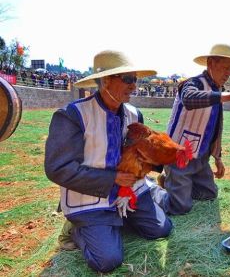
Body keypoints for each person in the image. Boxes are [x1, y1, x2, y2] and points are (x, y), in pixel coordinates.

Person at [44, 50, 173, 273]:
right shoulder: (73, 115)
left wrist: (157, 158)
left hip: (131, 190)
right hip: (89, 198)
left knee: (162, 229)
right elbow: (58, 169)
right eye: (128, 79)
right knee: (107, 260)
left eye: (135, 79)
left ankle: (120, 217)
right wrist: (112, 178)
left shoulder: (134, 114)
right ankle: (76, 229)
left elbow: (143, 152)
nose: (134, 85)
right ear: (105, 81)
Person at [159, 44, 230, 215]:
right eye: (225, 68)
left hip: (200, 158)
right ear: (210, 63)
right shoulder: (192, 83)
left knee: (209, 194)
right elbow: (189, 99)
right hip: (179, 155)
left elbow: (215, 128)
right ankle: (155, 191)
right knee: (180, 207)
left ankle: (175, 183)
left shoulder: (217, 90)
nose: (228, 74)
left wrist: (217, 158)